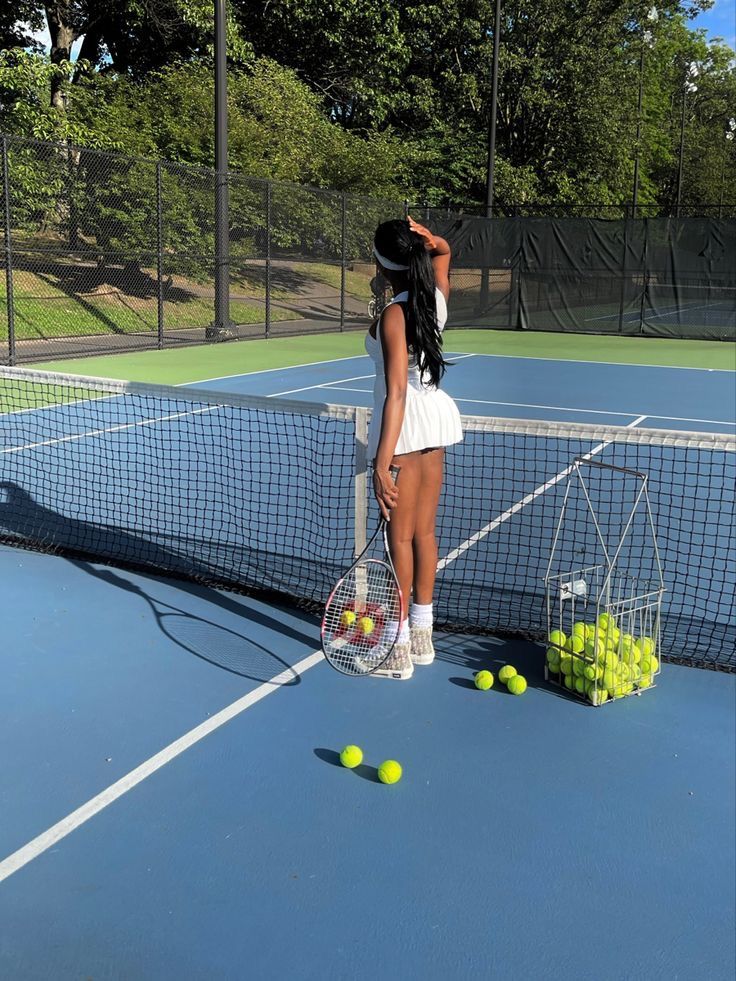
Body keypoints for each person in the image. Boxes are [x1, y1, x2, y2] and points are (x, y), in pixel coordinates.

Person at [365, 217, 462, 680]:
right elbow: (444, 254)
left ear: (384, 268)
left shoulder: (393, 316)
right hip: (436, 425)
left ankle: (397, 646)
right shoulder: (434, 301)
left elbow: (396, 393)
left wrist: (382, 464)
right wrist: (430, 240)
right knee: (424, 533)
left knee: (399, 539)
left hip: (402, 433)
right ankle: (422, 635)